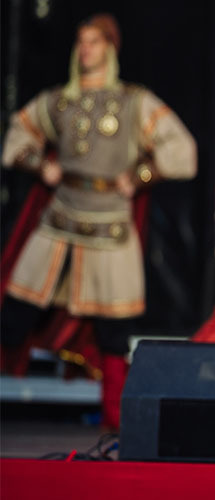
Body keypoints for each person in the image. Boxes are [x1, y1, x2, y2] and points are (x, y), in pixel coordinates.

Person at [0, 13, 196, 430]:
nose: (86, 49)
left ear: (110, 48)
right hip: (60, 217)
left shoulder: (133, 101)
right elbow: (18, 135)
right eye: (81, 41)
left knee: (114, 328)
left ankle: (116, 418)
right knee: (14, 312)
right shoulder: (59, 100)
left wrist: (141, 176)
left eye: (94, 41)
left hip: (111, 224)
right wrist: (39, 164)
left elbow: (182, 150)